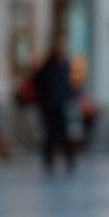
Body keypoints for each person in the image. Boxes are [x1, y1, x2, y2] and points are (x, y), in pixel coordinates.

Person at [34, 42, 74, 173]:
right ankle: (49, 161)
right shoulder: (47, 67)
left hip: (60, 105)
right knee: (50, 134)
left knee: (63, 133)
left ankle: (69, 160)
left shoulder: (64, 66)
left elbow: (68, 85)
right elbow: (37, 81)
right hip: (49, 106)